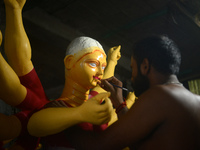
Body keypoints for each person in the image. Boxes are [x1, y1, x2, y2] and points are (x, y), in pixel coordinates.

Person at [1, 0, 135, 149]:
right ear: (70, 62)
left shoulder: (93, 100)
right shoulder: (54, 107)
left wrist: (112, 62)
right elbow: (34, 124)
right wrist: (79, 113)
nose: (100, 72)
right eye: (93, 64)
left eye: (102, 67)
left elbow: (106, 82)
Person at [65, 35, 200, 150]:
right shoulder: (194, 100)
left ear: (145, 66)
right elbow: (137, 138)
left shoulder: (160, 95)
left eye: (132, 68)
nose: (132, 77)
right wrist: (119, 102)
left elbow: (100, 144)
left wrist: (66, 120)